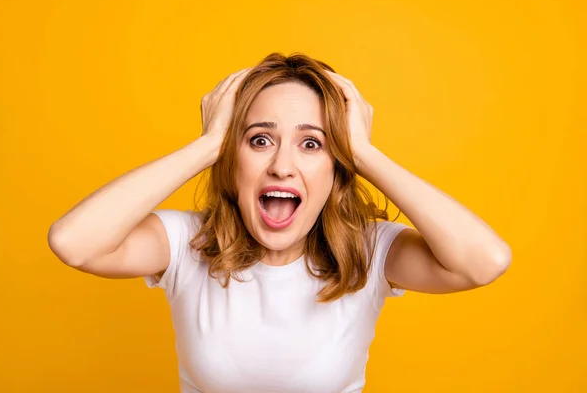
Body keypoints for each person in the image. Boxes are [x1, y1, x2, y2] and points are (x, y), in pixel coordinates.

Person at [48, 52, 511, 392]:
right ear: (234, 159)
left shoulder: (369, 253)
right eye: (259, 140)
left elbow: (484, 262)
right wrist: (208, 145)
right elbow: (74, 243)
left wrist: (366, 153)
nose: (282, 167)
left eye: (312, 144)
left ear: (337, 164)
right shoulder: (188, 244)